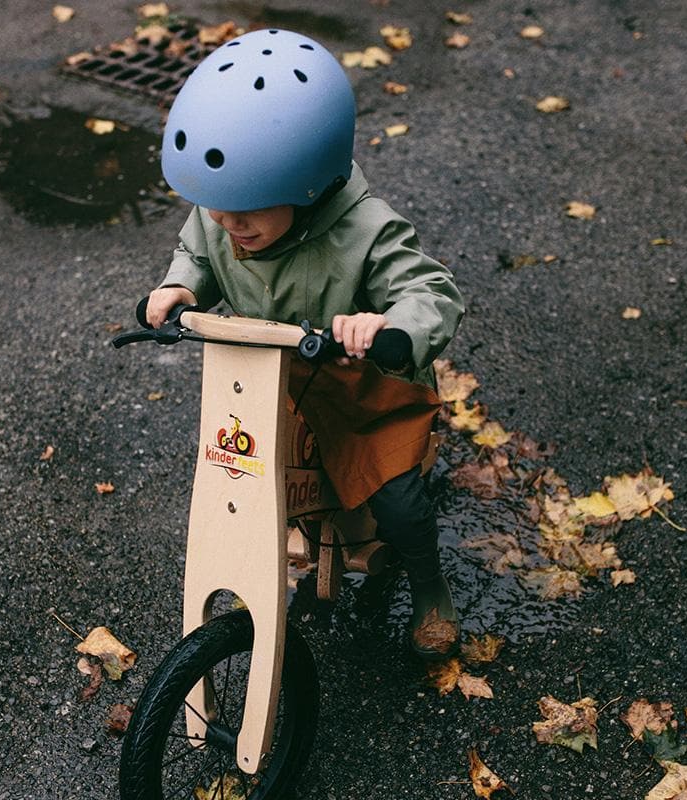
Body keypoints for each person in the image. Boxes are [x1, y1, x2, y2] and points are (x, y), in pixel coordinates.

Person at [146, 28, 465, 659]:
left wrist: (390, 328)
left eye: (247, 212)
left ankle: (430, 586)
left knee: (397, 503)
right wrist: (181, 287)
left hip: (360, 392)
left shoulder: (366, 229)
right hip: (278, 389)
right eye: (216, 208)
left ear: (309, 182)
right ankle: (276, 566)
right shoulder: (223, 214)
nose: (228, 226)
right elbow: (196, 250)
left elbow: (432, 291)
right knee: (246, 480)